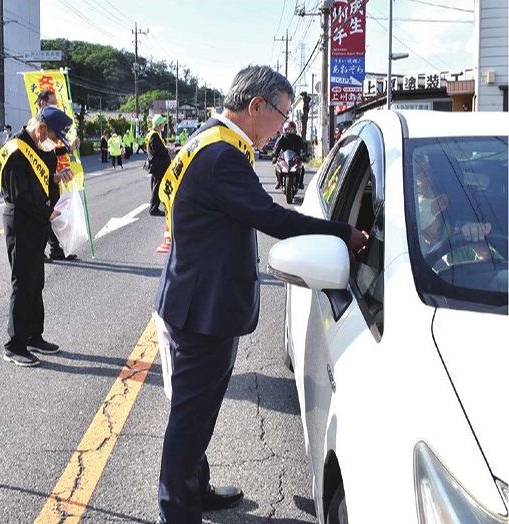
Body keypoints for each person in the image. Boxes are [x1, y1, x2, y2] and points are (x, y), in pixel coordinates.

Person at [153, 65, 367, 524]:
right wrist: (343, 233)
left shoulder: (208, 140)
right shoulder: (223, 155)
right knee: (189, 421)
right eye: (282, 117)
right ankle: (178, 511)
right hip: (201, 310)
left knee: (199, 412)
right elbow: (275, 219)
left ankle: (197, 488)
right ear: (256, 106)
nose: (282, 128)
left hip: (195, 295)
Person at [0, 106, 75, 367]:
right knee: (22, 283)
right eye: (53, 135)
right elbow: (19, 195)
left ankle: (33, 336)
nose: (53, 142)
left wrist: (55, 177)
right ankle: (14, 345)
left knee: (36, 282)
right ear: (41, 129)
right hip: (21, 222)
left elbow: (36, 182)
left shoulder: (38, 147)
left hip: (36, 221)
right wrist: (47, 212)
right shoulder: (16, 150)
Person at [36, 89, 79, 261]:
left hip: (52, 177)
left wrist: (69, 148)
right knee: (43, 216)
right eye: (53, 102)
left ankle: (56, 249)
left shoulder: (49, 129)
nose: (56, 106)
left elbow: (52, 151)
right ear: (43, 104)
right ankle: (40, 251)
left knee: (53, 214)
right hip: (42, 180)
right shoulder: (38, 127)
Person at [145, 115, 171, 216]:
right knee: (157, 187)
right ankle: (153, 208)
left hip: (156, 165)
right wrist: (168, 150)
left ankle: (154, 205)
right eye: (163, 123)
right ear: (160, 125)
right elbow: (159, 150)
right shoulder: (154, 135)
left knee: (155, 186)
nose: (164, 125)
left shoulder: (154, 134)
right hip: (158, 165)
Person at [271, 120, 306, 190]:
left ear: (295, 130)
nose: (290, 131)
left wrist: (303, 155)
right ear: (285, 130)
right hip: (283, 157)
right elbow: (276, 148)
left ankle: (300, 182)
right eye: (288, 130)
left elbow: (302, 148)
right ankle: (278, 181)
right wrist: (275, 156)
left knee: (301, 167)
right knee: (277, 167)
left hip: (295, 157)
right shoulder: (281, 138)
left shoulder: (298, 138)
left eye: (292, 130)